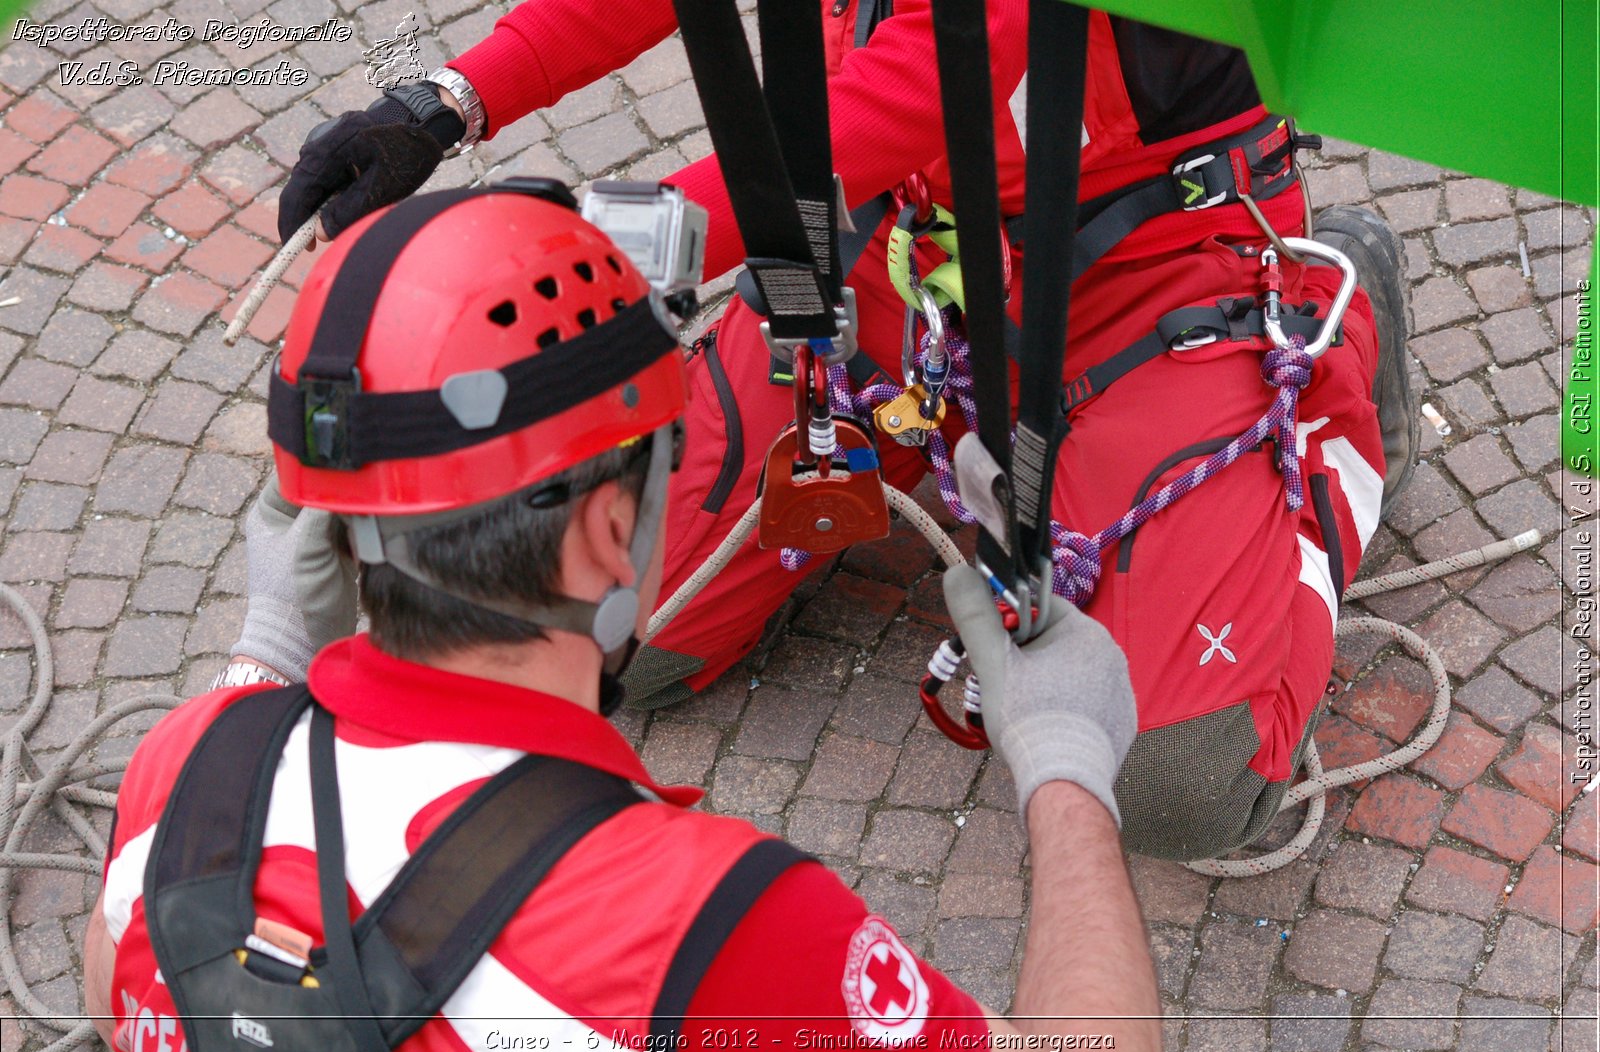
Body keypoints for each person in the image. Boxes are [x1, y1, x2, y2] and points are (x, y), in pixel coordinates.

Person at [273, 1, 1416, 861]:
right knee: (623, 626)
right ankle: (902, 449)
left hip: (1136, 274)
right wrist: (448, 100)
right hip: (891, 257)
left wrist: (529, 278)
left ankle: (1338, 330)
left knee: (1182, 781)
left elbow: (892, 102)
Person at [82, 188, 1161, 1052]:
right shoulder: (707, 926)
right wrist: (1064, 767)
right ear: (608, 530)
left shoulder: (184, 768)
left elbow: (113, 981)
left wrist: (267, 653)